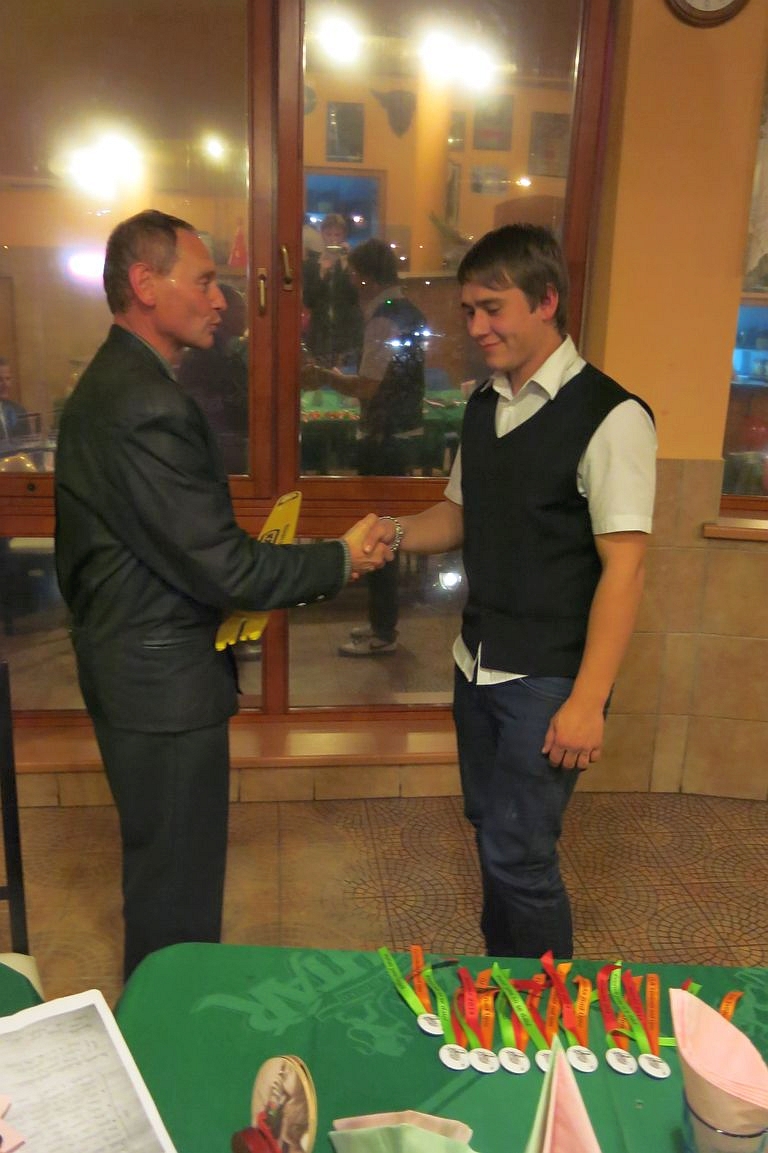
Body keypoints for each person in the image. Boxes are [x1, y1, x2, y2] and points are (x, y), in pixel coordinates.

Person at [54, 209, 390, 980]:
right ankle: (164, 1035)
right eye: (204, 281)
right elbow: (224, 566)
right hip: (161, 687)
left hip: (137, 668)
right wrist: (340, 559)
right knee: (176, 894)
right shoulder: (142, 403)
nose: (220, 300)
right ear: (145, 284)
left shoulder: (117, 384)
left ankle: (162, 1013)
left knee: (165, 872)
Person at [363, 223, 657, 958]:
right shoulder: (483, 405)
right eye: (469, 311)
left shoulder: (612, 416)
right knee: (492, 832)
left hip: (549, 681)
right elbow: (458, 515)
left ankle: (544, 1009)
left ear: (546, 299)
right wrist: (391, 533)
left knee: (520, 855)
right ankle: (501, 987)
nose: (477, 327)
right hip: (476, 664)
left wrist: (587, 702)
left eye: (493, 308)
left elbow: (625, 569)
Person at [304, 238, 428, 656]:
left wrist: (323, 376)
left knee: (380, 535)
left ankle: (383, 631)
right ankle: (381, 624)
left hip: (384, 439)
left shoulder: (383, 318)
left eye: (355, 275)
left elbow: (369, 388)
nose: (352, 283)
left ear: (368, 277)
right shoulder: (409, 310)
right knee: (387, 530)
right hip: (405, 434)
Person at [177, 282, 249, 473]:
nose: (246, 316)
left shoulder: (231, 353)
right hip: (216, 455)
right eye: (240, 309)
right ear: (222, 313)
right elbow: (203, 408)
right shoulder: (200, 357)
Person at [301, 213, 363, 370]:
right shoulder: (311, 264)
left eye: (337, 234)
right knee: (320, 377)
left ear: (344, 236)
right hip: (320, 334)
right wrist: (322, 272)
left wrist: (346, 265)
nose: (333, 239)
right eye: (328, 234)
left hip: (347, 333)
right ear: (322, 235)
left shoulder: (352, 263)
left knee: (346, 377)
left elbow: (356, 296)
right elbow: (308, 300)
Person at [0, 358, 29, 443]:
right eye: (0, 380)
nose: (6, 384)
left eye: (8, 379)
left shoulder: (18, 410)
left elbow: (28, 442)